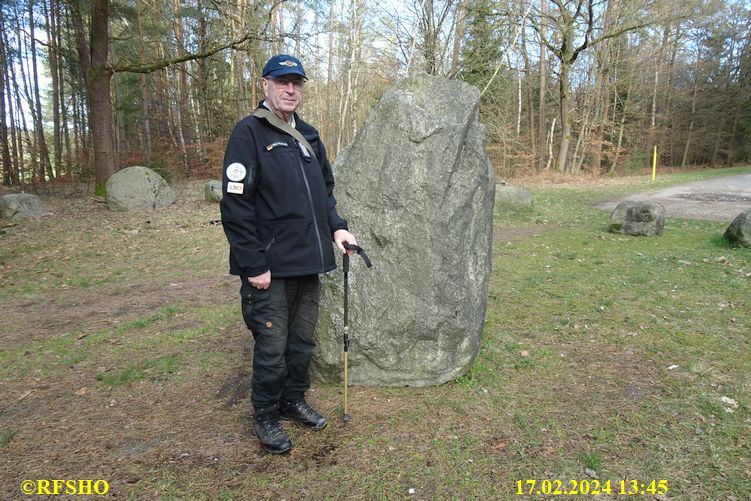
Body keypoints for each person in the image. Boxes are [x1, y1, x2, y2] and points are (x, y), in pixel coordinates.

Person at [220, 54, 357, 454]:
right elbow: (235, 206)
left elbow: (324, 194)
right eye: (282, 81)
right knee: (272, 346)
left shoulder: (310, 137)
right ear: (265, 84)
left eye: (296, 82)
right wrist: (253, 264)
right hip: (269, 269)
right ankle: (265, 413)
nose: (290, 89)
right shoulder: (248, 134)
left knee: (301, 344)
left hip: (308, 263)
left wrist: (338, 227)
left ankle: (292, 399)